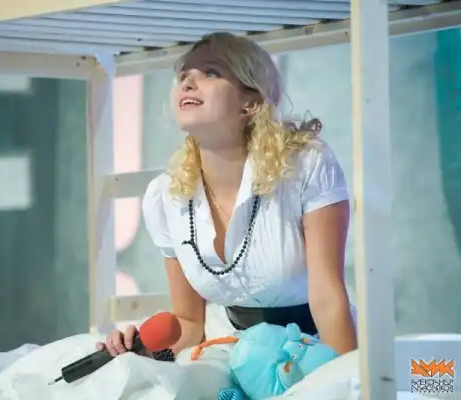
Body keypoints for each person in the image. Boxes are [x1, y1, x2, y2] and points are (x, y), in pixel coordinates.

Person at [96, 31, 357, 361]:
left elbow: (329, 301)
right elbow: (190, 323)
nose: (188, 82)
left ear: (250, 102)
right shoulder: (164, 196)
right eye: (183, 75)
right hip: (228, 353)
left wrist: (342, 380)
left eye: (210, 72)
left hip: (314, 347)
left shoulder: (307, 164)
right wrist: (139, 351)